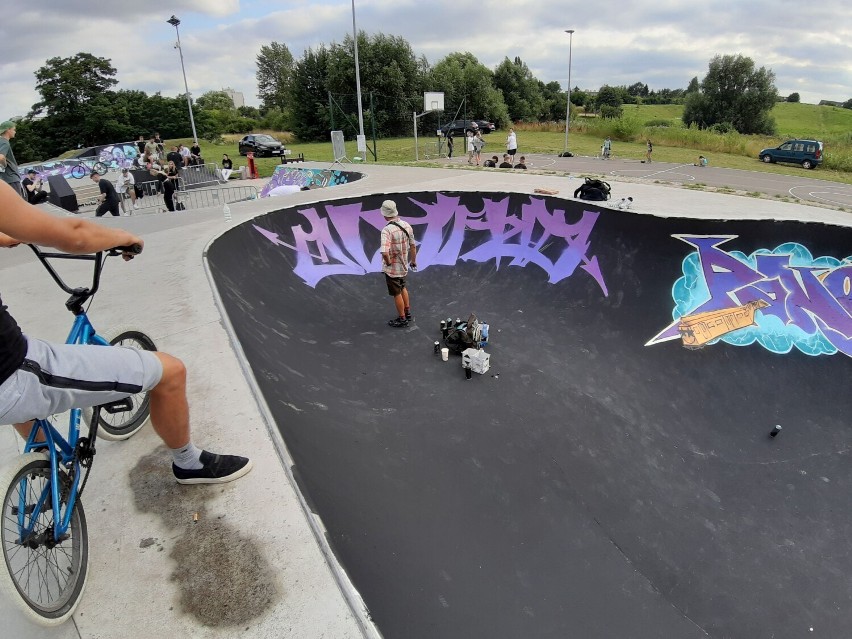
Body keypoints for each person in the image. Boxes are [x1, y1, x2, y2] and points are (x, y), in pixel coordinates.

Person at [0, 181, 252, 484]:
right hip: (9, 376)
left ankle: (43, 457)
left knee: (25, 381)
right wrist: (125, 238)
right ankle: (188, 462)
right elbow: (75, 235)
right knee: (170, 371)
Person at [379, 199, 416, 328]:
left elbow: (384, 252)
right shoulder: (407, 225)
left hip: (393, 269)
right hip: (404, 266)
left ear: (384, 214)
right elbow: (413, 246)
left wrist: (388, 263)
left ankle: (402, 318)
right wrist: (413, 261)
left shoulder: (387, 230)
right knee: (403, 287)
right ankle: (408, 311)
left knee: (396, 293)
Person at [0, 121, 23, 199]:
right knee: (18, 203)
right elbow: (1, 157)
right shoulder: (5, 142)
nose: (15, 132)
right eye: (14, 129)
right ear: (8, 130)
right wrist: (4, 165)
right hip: (11, 177)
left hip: (4, 178)